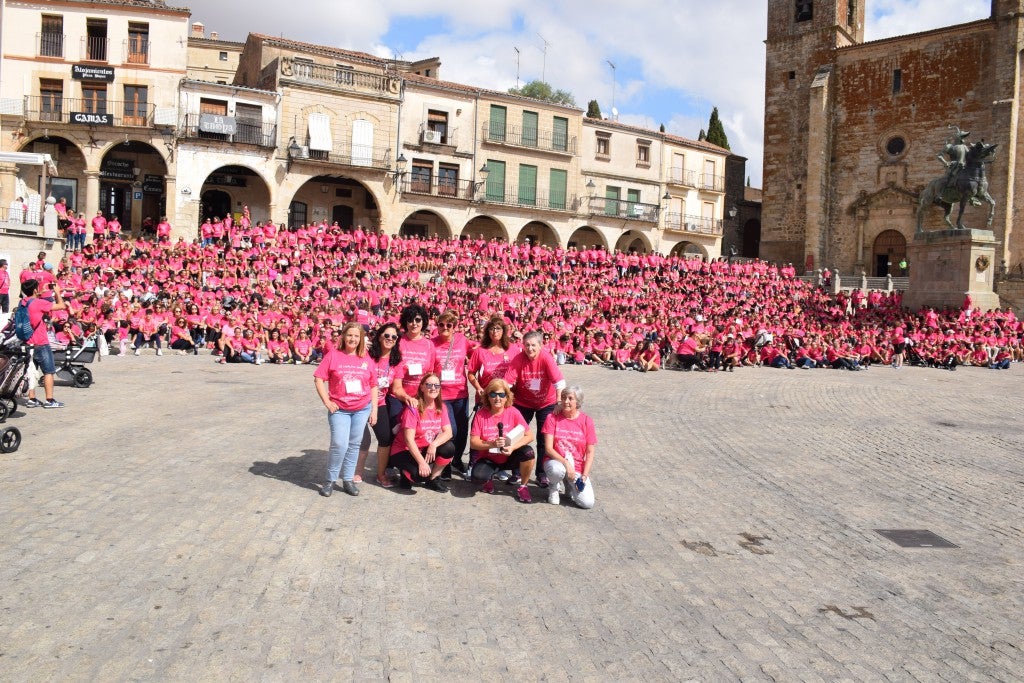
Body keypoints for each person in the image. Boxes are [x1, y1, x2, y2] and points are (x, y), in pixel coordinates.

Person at [314, 322, 377, 497]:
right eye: (350, 335)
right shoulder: (333, 355)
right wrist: (327, 401)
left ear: (361, 339)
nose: (353, 339)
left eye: (356, 336)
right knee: (339, 444)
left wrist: (374, 410)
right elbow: (319, 378)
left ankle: (348, 479)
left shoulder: (365, 358)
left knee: (354, 445)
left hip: (361, 408)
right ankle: (330, 480)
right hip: (340, 409)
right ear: (343, 336)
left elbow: (373, 385)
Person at [506, 330, 564, 488]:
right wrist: (506, 403)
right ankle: (516, 472)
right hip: (523, 402)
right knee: (517, 436)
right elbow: (508, 383)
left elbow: (559, 382)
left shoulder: (546, 358)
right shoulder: (518, 359)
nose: (529, 348)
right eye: (526, 345)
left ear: (540, 345)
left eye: (533, 345)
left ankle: (541, 474)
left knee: (543, 439)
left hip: (546, 402)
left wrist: (559, 402)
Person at [355, 323, 407, 487]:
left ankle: (380, 474)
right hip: (361, 403)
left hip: (380, 403)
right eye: (386, 335)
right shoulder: (367, 355)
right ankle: (357, 471)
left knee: (385, 439)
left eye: (394, 337)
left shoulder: (396, 361)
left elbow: (397, 388)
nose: (390, 339)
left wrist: (407, 397)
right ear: (379, 336)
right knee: (362, 440)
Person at [468, 378, 536, 503]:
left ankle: (523, 486)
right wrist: (491, 443)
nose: (497, 398)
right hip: (489, 458)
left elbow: (529, 436)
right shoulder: (481, 414)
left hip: (509, 455)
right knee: (477, 478)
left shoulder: (513, 412)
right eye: (493, 394)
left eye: (501, 394)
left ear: (507, 397)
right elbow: (473, 442)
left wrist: (512, 447)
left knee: (528, 452)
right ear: (487, 397)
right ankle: (488, 478)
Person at [388, 372, 455, 492]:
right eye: (429, 385)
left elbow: (448, 432)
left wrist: (434, 445)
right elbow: (408, 440)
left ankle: (433, 479)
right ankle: (405, 473)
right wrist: (422, 463)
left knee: (449, 448)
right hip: (404, 450)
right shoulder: (413, 408)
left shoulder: (441, 407)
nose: (433, 388)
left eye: (436, 385)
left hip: (425, 448)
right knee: (419, 476)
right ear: (422, 387)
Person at [542, 385, 597, 508]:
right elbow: (548, 449)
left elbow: (589, 452)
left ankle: (569, 484)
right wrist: (566, 464)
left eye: (570, 398)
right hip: (556, 461)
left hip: (577, 466)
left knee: (587, 503)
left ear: (578, 402)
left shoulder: (587, 421)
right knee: (556, 470)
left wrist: (584, 475)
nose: (566, 401)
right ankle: (554, 487)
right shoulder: (552, 418)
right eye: (563, 398)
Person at [432, 310, 472, 479]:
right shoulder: (431, 343)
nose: (445, 328)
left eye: (449, 325)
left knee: (463, 431)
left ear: (455, 327)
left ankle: (456, 460)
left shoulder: (463, 340)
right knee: (451, 430)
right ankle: (445, 462)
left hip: (461, 393)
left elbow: (478, 352)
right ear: (437, 326)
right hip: (441, 394)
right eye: (441, 325)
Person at [20, 278, 68, 408]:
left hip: (27, 342)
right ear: (35, 289)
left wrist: (39, 293)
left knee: (31, 370)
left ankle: (32, 399)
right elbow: (61, 306)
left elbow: (33, 303)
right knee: (49, 371)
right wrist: (57, 292)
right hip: (40, 342)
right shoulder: (38, 303)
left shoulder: (23, 302)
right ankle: (50, 400)